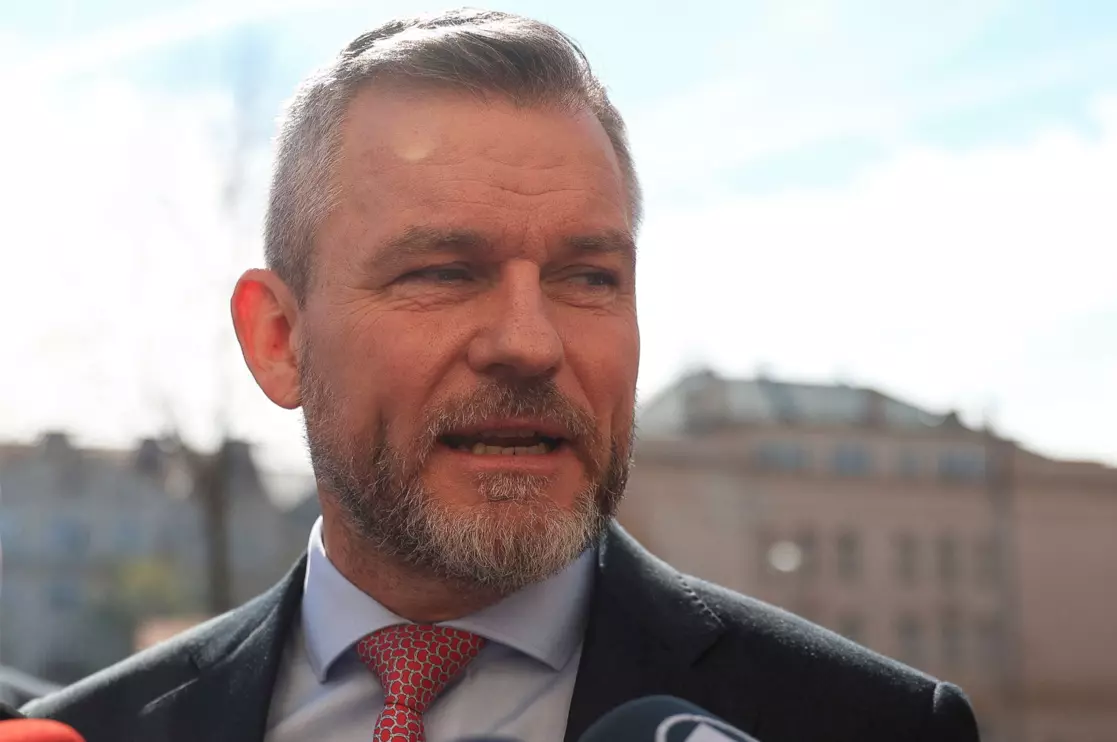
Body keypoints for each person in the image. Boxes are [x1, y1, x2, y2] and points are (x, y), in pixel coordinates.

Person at [25, 10, 979, 742]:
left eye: (586, 277)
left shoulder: (858, 722)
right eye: (443, 272)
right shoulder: (98, 733)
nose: (529, 342)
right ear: (279, 338)